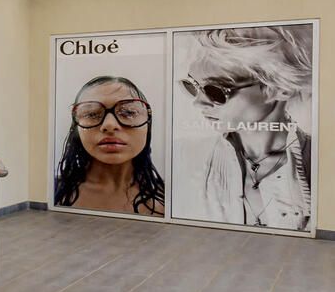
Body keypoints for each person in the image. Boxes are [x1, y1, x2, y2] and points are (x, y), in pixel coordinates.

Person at [178, 25, 313, 230]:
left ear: (279, 88)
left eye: (215, 91)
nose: (198, 102)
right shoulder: (186, 158)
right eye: (191, 85)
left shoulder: (318, 163)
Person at [55, 75, 165, 216]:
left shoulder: (171, 198)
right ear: (76, 127)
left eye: (128, 112)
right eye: (92, 114)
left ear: (148, 125)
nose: (110, 125)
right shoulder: (53, 192)